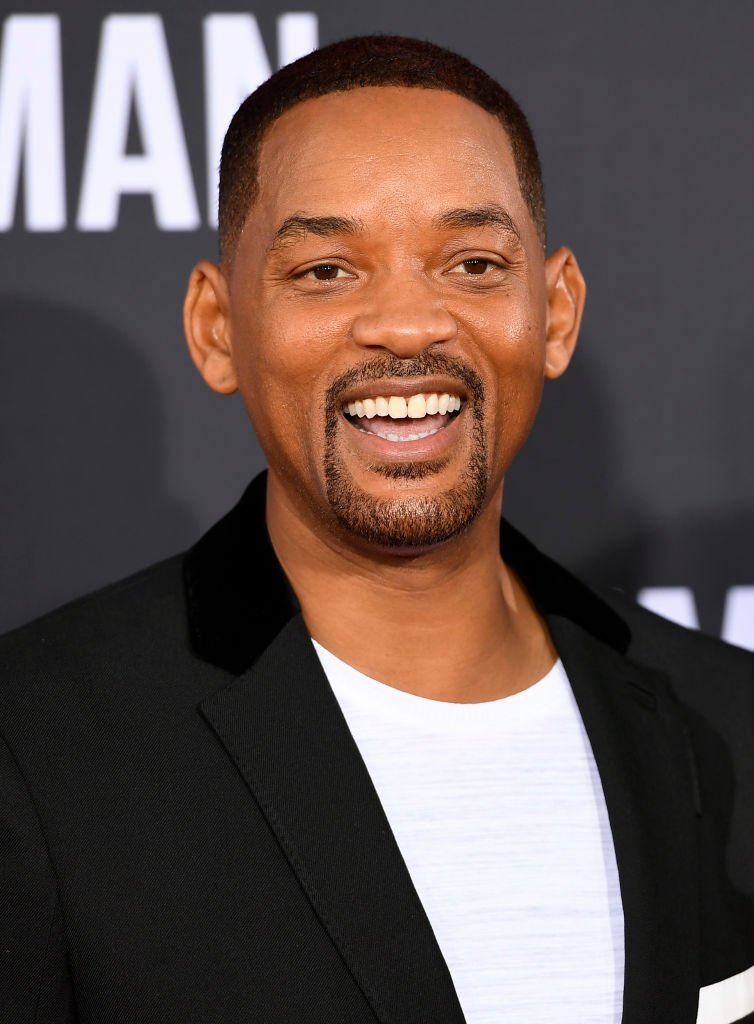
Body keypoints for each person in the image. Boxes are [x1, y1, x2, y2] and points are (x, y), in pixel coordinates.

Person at [1, 33, 752, 1024]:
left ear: (555, 312)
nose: (406, 325)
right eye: (325, 271)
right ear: (217, 327)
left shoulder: (727, 717)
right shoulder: (36, 744)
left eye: (473, 262)